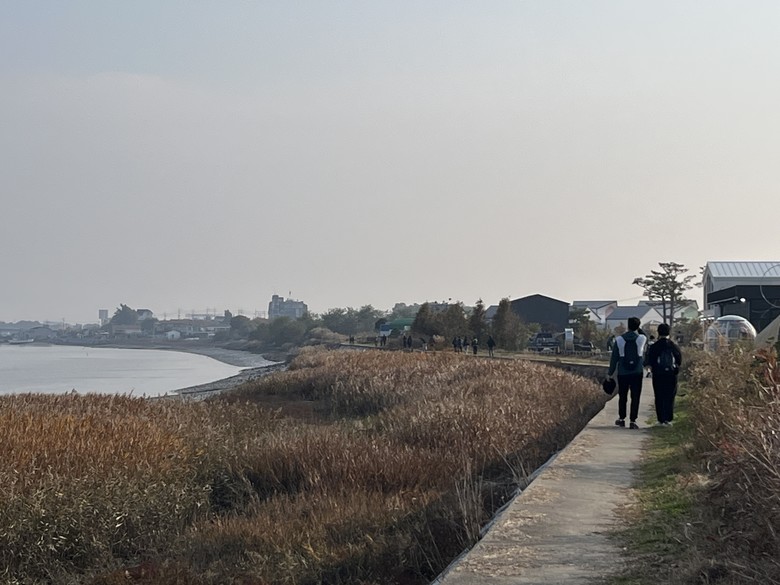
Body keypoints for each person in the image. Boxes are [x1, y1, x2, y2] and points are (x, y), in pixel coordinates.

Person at [608, 317, 648, 429]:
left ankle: (621, 419)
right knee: (635, 397)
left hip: (623, 372)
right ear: (638, 326)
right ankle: (633, 421)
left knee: (623, 396)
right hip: (637, 372)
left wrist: (610, 373)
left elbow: (614, 358)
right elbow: (646, 337)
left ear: (628, 325)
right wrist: (639, 329)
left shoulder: (619, 340)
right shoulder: (641, 339)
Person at [644, 323, 682, 426]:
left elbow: (650, 361)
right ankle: (668, 419)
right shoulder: (673, 346)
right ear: (669, 332)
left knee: (659, 395)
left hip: (658, 374)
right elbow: (679, 361)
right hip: (671, 374)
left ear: (658, 332)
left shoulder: (654, 346)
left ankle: (660, 419)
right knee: (670, 396)